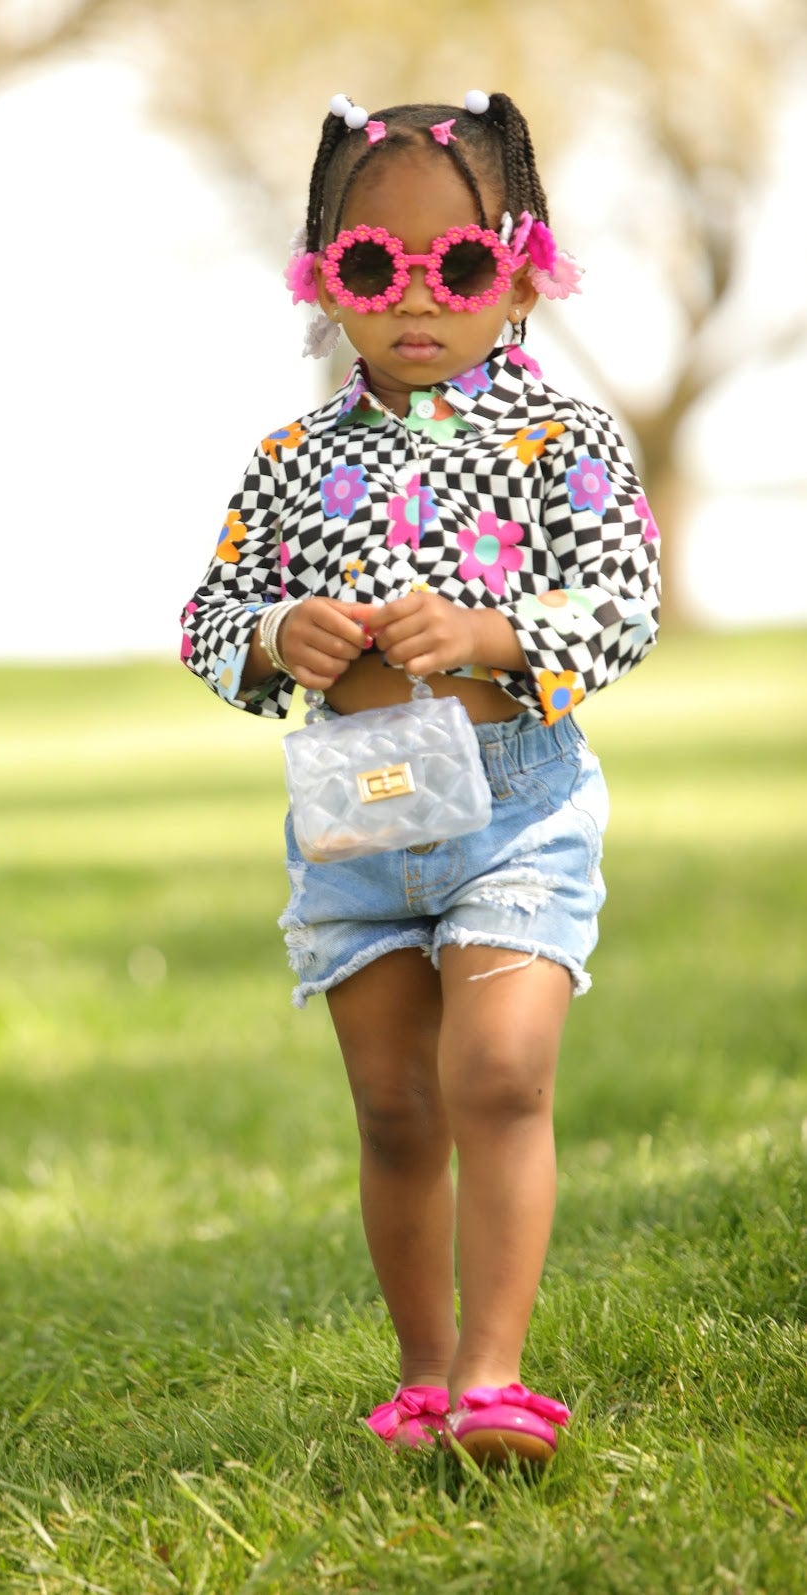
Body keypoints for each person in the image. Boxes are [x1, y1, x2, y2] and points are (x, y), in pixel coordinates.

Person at [179, 89, 660, 1468]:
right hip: (360, 810)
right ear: (323, 280)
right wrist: (282, 633)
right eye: (368, 267)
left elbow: (624, 601)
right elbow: (210, 619)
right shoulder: (291, 461)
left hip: (514, 804)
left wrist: (496, 633)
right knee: (395, 1106)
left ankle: (499, 1380)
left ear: (515, 272)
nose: (413, 301)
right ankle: (423, 1375)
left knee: (497, 1076)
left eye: (453, 266)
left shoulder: (565, 442)